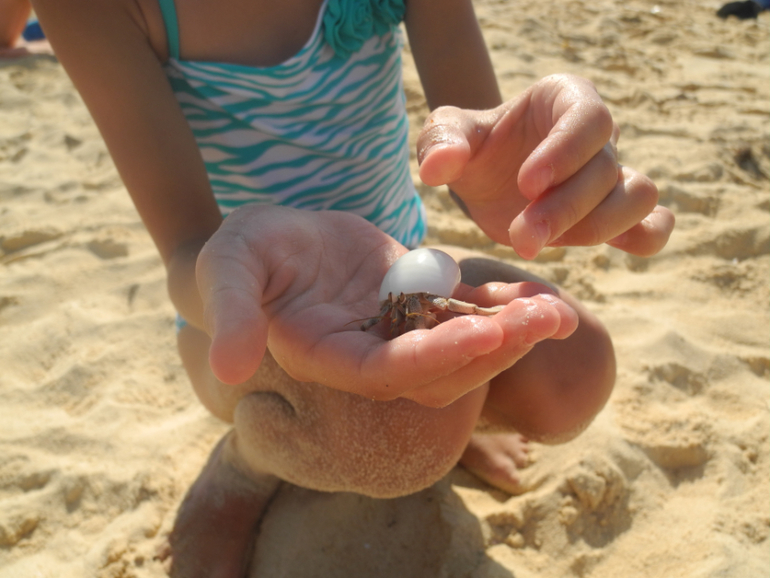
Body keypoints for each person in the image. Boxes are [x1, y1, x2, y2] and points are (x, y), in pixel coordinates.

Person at [31, 0, 674, 575]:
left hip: (393, 265)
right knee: (404, 432)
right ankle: (247, 462)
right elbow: (183, 246)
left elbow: (476, 139)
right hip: (233, 310)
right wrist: (241, 290)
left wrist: (514, 176)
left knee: (574, 368)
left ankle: (461, 414)